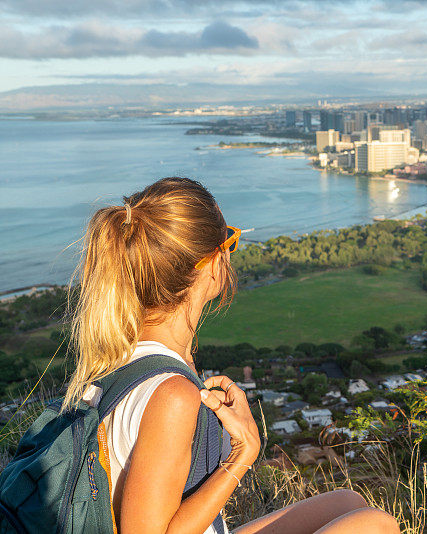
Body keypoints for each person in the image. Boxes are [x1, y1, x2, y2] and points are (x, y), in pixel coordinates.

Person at [63, 177, 401, 534]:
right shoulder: (171, 394)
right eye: (230, 241)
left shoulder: (128, 355)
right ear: (209, 263)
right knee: (376, 525)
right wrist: (242, 455)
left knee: (348, 503)